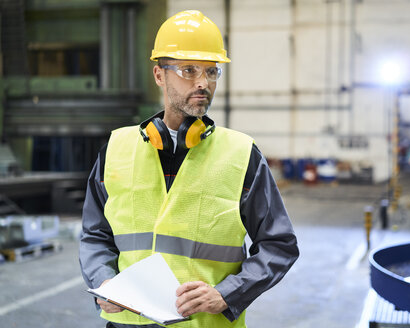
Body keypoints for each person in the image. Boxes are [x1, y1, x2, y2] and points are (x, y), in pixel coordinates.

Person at [79, 10, 299, 328]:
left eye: (212, 72)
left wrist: (227, 294)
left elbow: (279, 244)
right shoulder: (116, 150)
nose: (203, 83)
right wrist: (103, 281)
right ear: (159, 75)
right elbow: (94, 234)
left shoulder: (241, 155)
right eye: (188, 70)